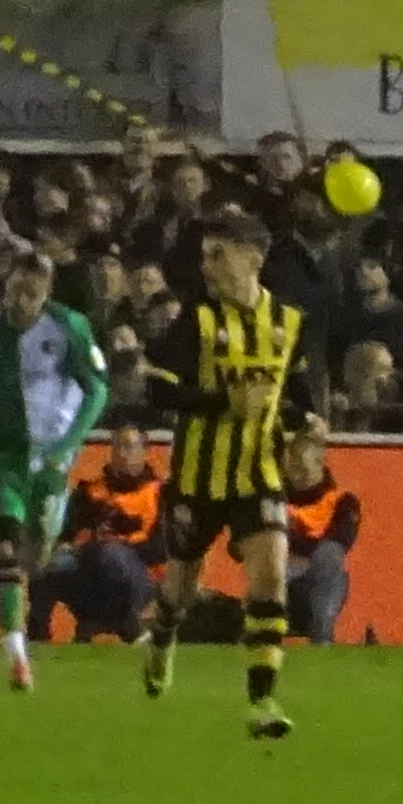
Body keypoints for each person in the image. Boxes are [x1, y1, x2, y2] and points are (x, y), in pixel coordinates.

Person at [134, 210, 317, 737]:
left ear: (252, 259)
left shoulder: (290, 322)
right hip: (198, 477)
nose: (207, 266)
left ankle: (263, 700)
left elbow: (297, 393)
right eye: (205, 255)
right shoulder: (197, 321)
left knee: (270, 574)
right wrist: (221, 402)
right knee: (181, 588)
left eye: (218, 255)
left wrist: (306, 423)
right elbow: (158, 388)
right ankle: (163, 633)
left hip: (259, 472)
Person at [0, 242, 106, 692]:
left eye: (31, 293)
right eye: (16, 290)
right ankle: (16, 655)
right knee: (4, 549)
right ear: (6, 285)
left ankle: (36, 588)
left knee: (35, 558)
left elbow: (97, 389)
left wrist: (69, 444)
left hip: (49, 459)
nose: (21, 301)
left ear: (46, 292)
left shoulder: (69, 328)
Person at [36, 420, 161, 646]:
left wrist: (119, 545)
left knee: (111, 555)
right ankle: (37, 634)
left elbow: (161, 548)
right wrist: (64, 547)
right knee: (46, 561)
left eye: (129, 446)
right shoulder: (89, 492)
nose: (122, 454)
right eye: (117, 447)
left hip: (140, 577)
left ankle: (128, 624)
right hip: (88, 567)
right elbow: (67, 534)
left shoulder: (160, 495)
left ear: (145, 451)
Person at [275, 430, 360, 647]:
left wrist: (290, 537)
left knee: (329, 555)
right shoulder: (274, 499)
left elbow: (341, 541)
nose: (296, 476)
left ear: (319, 464)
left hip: (321, 579)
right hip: (278, 579)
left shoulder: (343, 501)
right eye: (292, 469)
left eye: (302, 469)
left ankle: (321, 638)